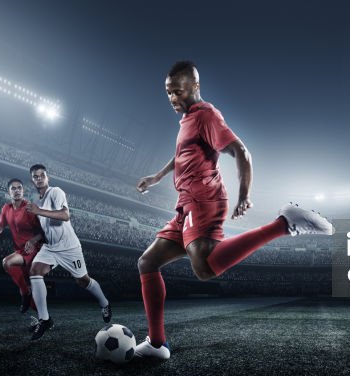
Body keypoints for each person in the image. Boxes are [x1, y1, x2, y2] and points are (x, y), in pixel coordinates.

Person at [134, 61, 335, 359]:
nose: (173, 98)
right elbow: (181, 154)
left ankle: (284, 224)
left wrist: (245, 195)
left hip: (203, 200)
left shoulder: (207, 115)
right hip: (185, 204)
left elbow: (241, 151)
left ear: (195, 87)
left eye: (178, 91)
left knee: (204, 268)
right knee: (147, 262)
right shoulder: (188, 119)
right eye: (168, 93)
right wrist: (158, 177)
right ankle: (156, 343)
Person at [26, 164, 112, 340]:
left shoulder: (56, 192)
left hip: (69, 247)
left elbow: (65, 215)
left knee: (82, 281)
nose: (39, 178)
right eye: (35, 176)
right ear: (32, 179)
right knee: (35, 271)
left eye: (42, 175)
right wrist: (34, 240)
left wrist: (39, 211)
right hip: (50, 247)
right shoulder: (37, 200)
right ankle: (45, 319)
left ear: (47, 177)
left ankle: (105, 303)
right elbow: (46, 228)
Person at [0, 178, 43, 314]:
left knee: (7, 262)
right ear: (9, 192)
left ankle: (26, 294)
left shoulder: (30, 208)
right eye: (13, 188)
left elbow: (43, 231)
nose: (16, 190)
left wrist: (33, 241)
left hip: (34, 250)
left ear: (23, 191)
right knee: (33, 301)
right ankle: (28, 297)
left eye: (19, 188)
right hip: (20, 250)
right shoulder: (6, 208)